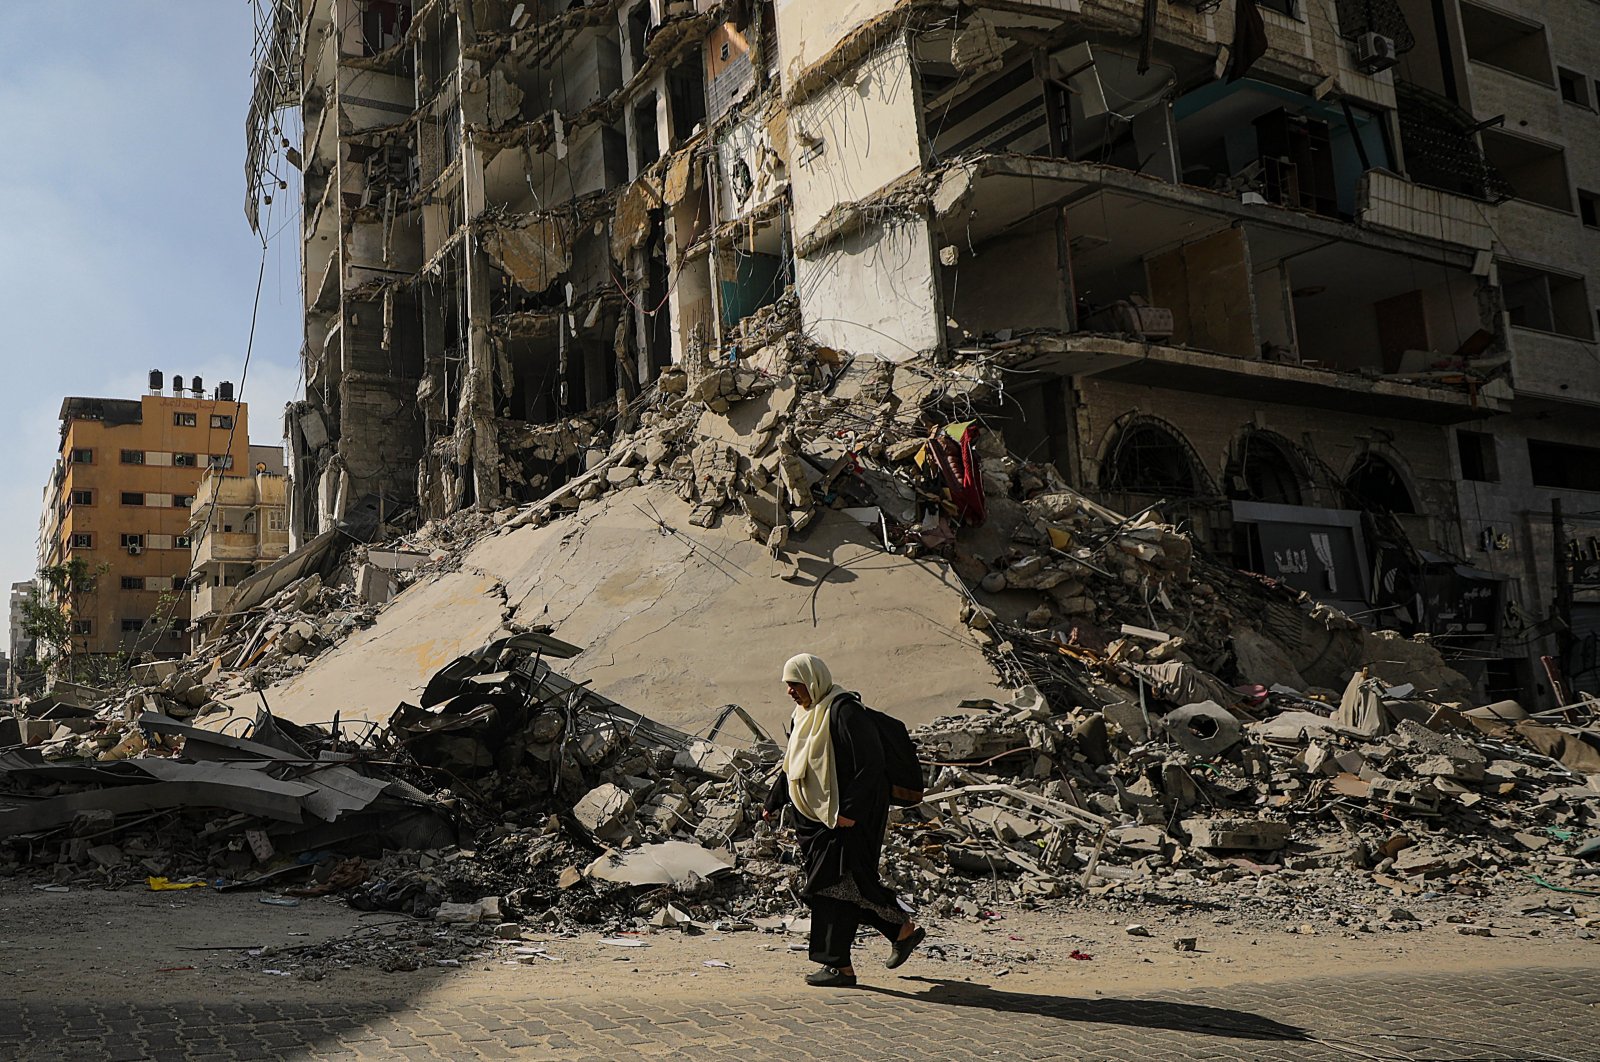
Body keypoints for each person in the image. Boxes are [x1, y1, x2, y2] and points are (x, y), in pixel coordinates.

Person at [763, 653, 925, 987]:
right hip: (814, 819)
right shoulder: (802, 716)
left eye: (795, 684)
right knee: (840, 887)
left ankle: (845, 961)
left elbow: (871, 765)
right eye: (788, 685)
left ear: (813, 680)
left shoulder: (844, 711)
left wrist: (849, 810)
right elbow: (792, 763)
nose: (790, 691)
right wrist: (774, 800)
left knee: (836, 885)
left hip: (847, 817)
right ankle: (894, 934)